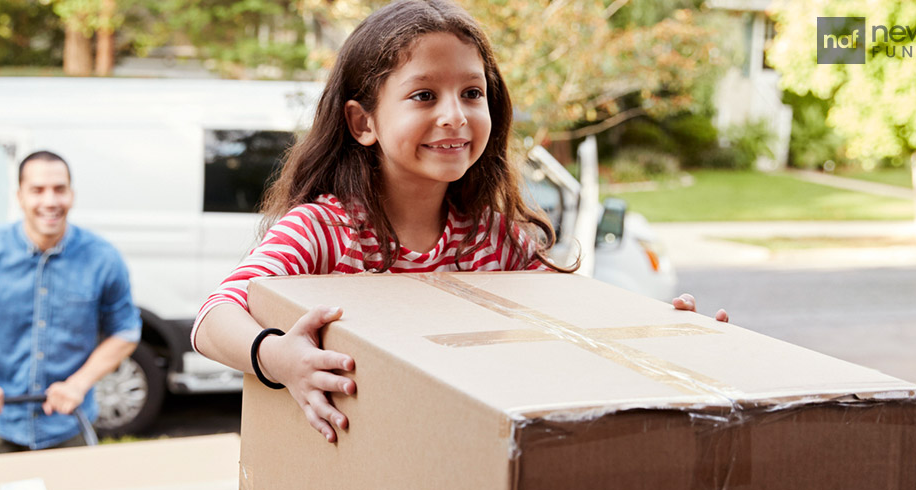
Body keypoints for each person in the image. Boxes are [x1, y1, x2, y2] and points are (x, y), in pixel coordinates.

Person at [190, 0, 729, 444]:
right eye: (424, 95)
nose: (455, 114)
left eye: (472, 93)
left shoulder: (498, 242)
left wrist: (662, 335)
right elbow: (213, 317)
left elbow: (571, 339)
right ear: (363, 122)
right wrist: (278, 357)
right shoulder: (322, 230)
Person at [0, 151, 141, 453]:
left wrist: (79, 384)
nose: (50, 201)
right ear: (19, 196)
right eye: (37, 190)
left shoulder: (103, 259)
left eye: (59, 189)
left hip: (69, 423)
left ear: (72, 194)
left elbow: (126, 331)